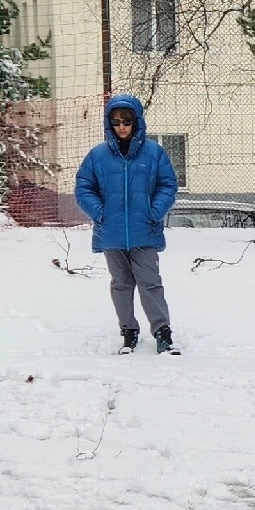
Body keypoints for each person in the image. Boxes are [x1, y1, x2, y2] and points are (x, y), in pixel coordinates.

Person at [74, 93, 181, 355]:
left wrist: (153, 212)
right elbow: (83, 187)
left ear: (137, 121)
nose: (121, 126)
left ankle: (162, 331)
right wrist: (101, 214)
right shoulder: (97, 156)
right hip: (111, 233)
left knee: (150, 283)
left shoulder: (154, 153)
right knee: (121, 284)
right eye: (116, 122)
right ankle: (128, 330)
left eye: (127, 120)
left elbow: (168, 185)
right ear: (109, 124)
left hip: (145, 231)